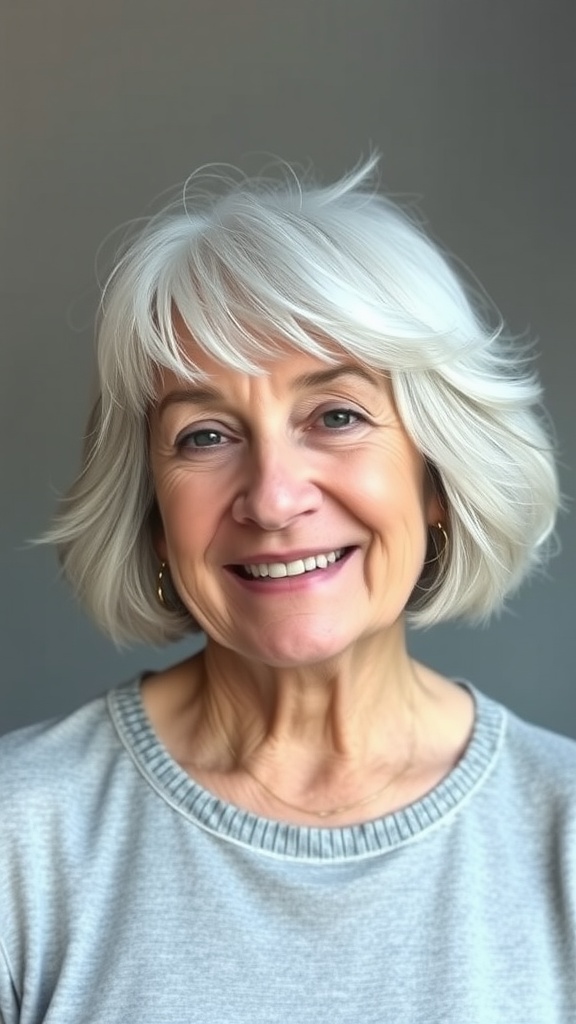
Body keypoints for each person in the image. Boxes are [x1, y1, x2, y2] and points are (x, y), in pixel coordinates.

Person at [0, 155, 574, 1024]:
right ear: (153, 510)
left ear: (437, 477)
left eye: (336, 416)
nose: (271, 499)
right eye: (204, 435)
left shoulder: (563, 833)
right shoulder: (21, 838)